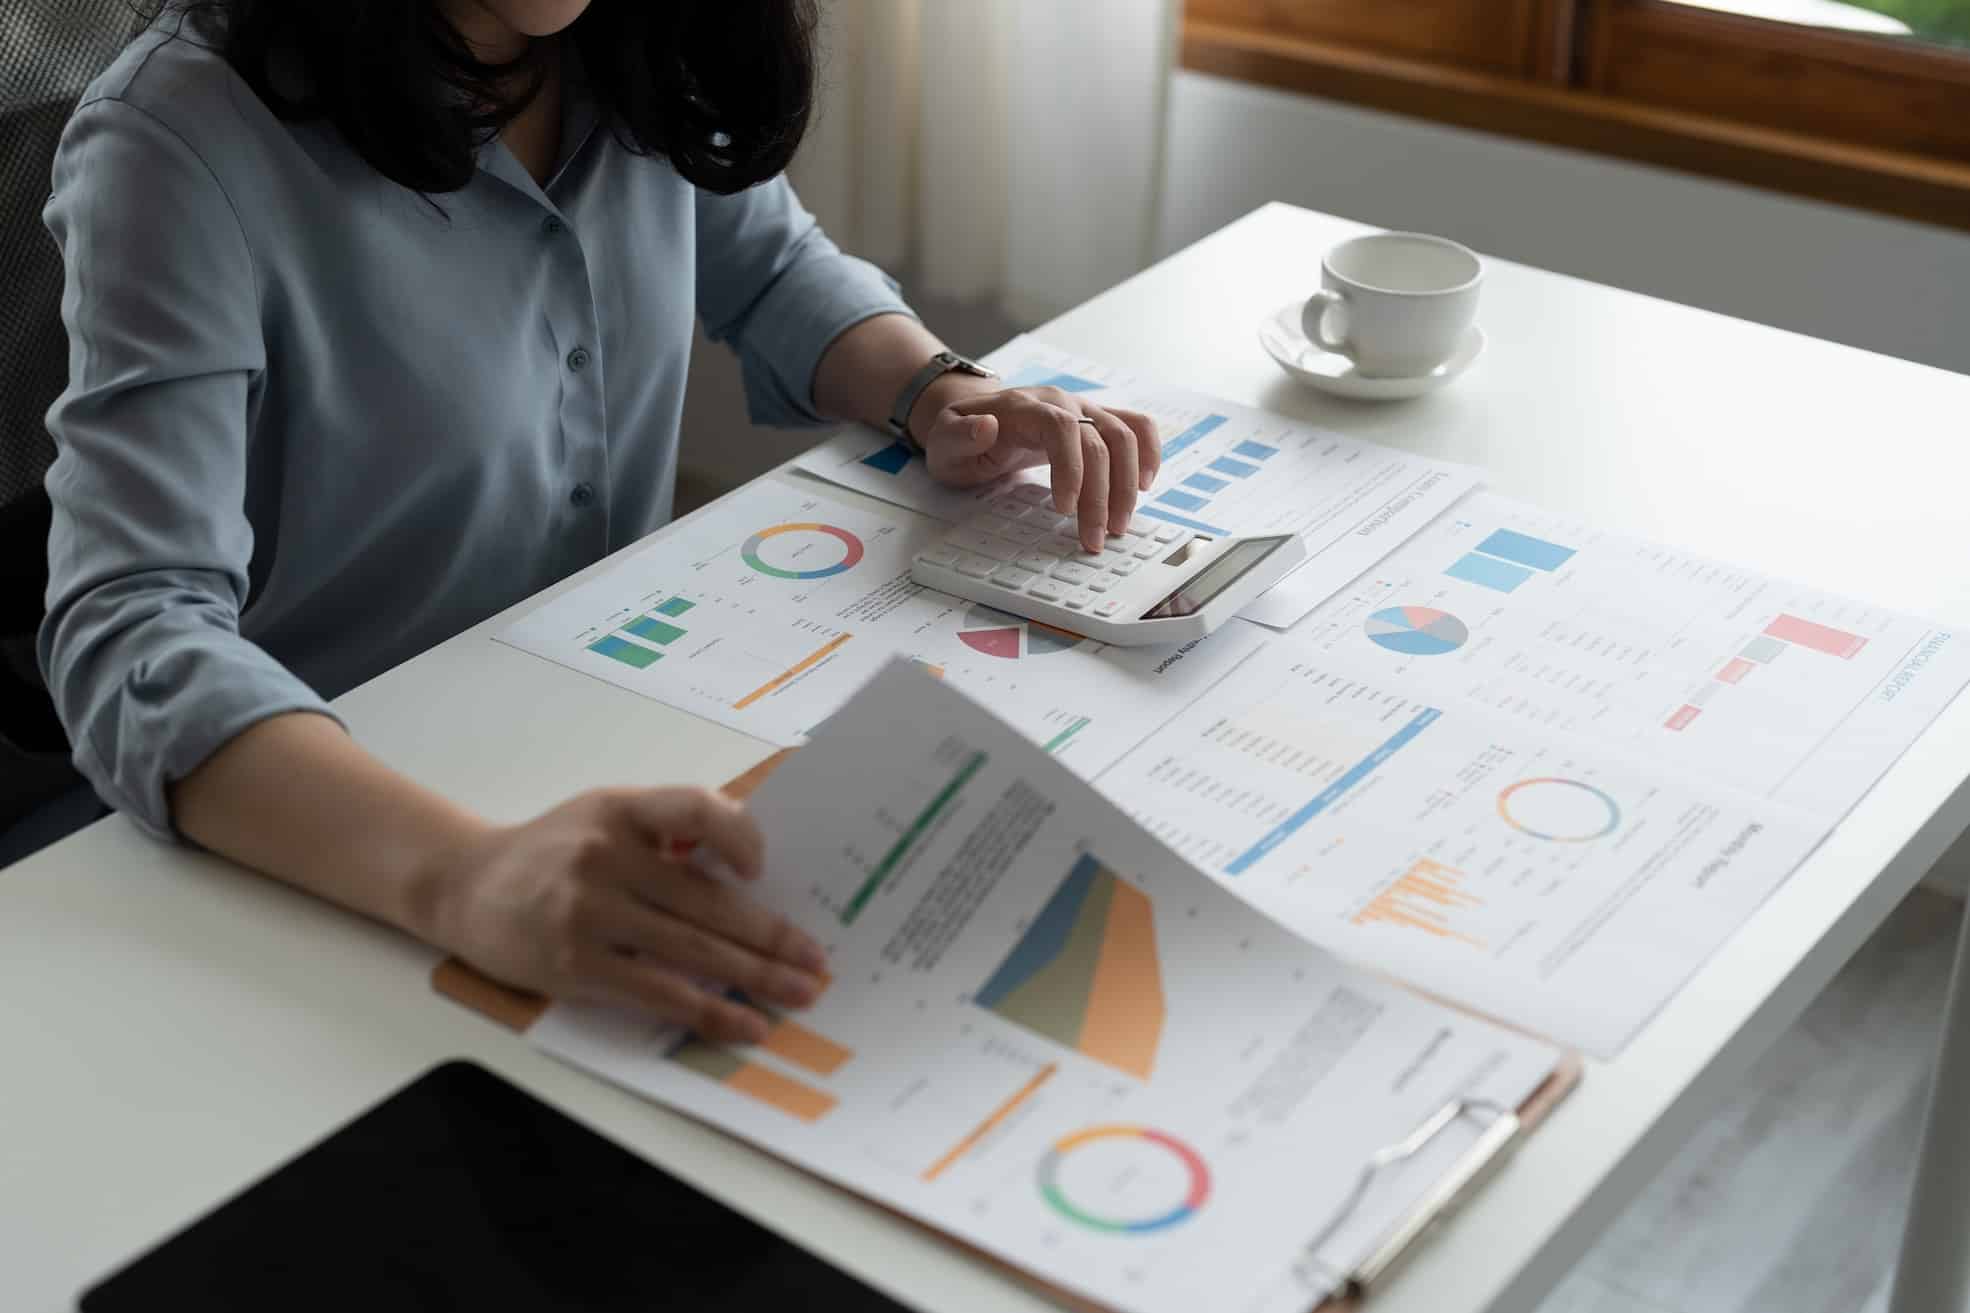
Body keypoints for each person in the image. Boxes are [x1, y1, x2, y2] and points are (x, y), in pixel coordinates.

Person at [39, 0, 1160, 1042]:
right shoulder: (176, 136)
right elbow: (134, 632)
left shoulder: (626, 40)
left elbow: (768, 264)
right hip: (344, 826)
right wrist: (468, 876)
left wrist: (938, 391)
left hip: (613, 714)